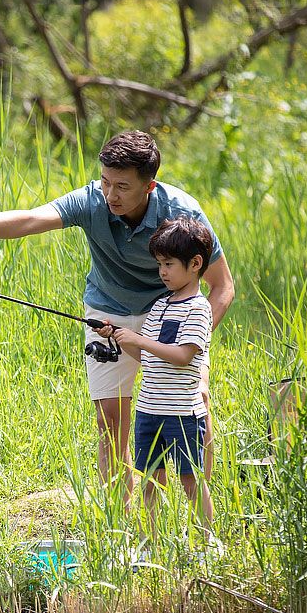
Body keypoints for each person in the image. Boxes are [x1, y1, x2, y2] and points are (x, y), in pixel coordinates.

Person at [0, 131, 234, 501]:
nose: (110, 194)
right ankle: (124, 524)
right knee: (110, 420)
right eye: (105, 181)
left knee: (196, 399)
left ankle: (204, 508)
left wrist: (190, 340)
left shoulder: (182, 213)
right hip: (107, 310)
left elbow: (223, 287)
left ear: (149, 185)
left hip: (170, 311)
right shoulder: (92, 200)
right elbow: (30, 219)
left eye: (122, 186)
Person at [95, 217, 215, 545]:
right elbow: (148, 357)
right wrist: (119, 337)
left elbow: (182, 356)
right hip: (149, 413)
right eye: (159, 264)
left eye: (168, 264)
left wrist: (141, 340)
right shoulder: (160, 306)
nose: (162, 272)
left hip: (182, 413)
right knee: (150, 481)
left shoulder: (198, 309)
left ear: (195, 264)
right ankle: (151, 543)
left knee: (190, 480)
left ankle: (208, 542)